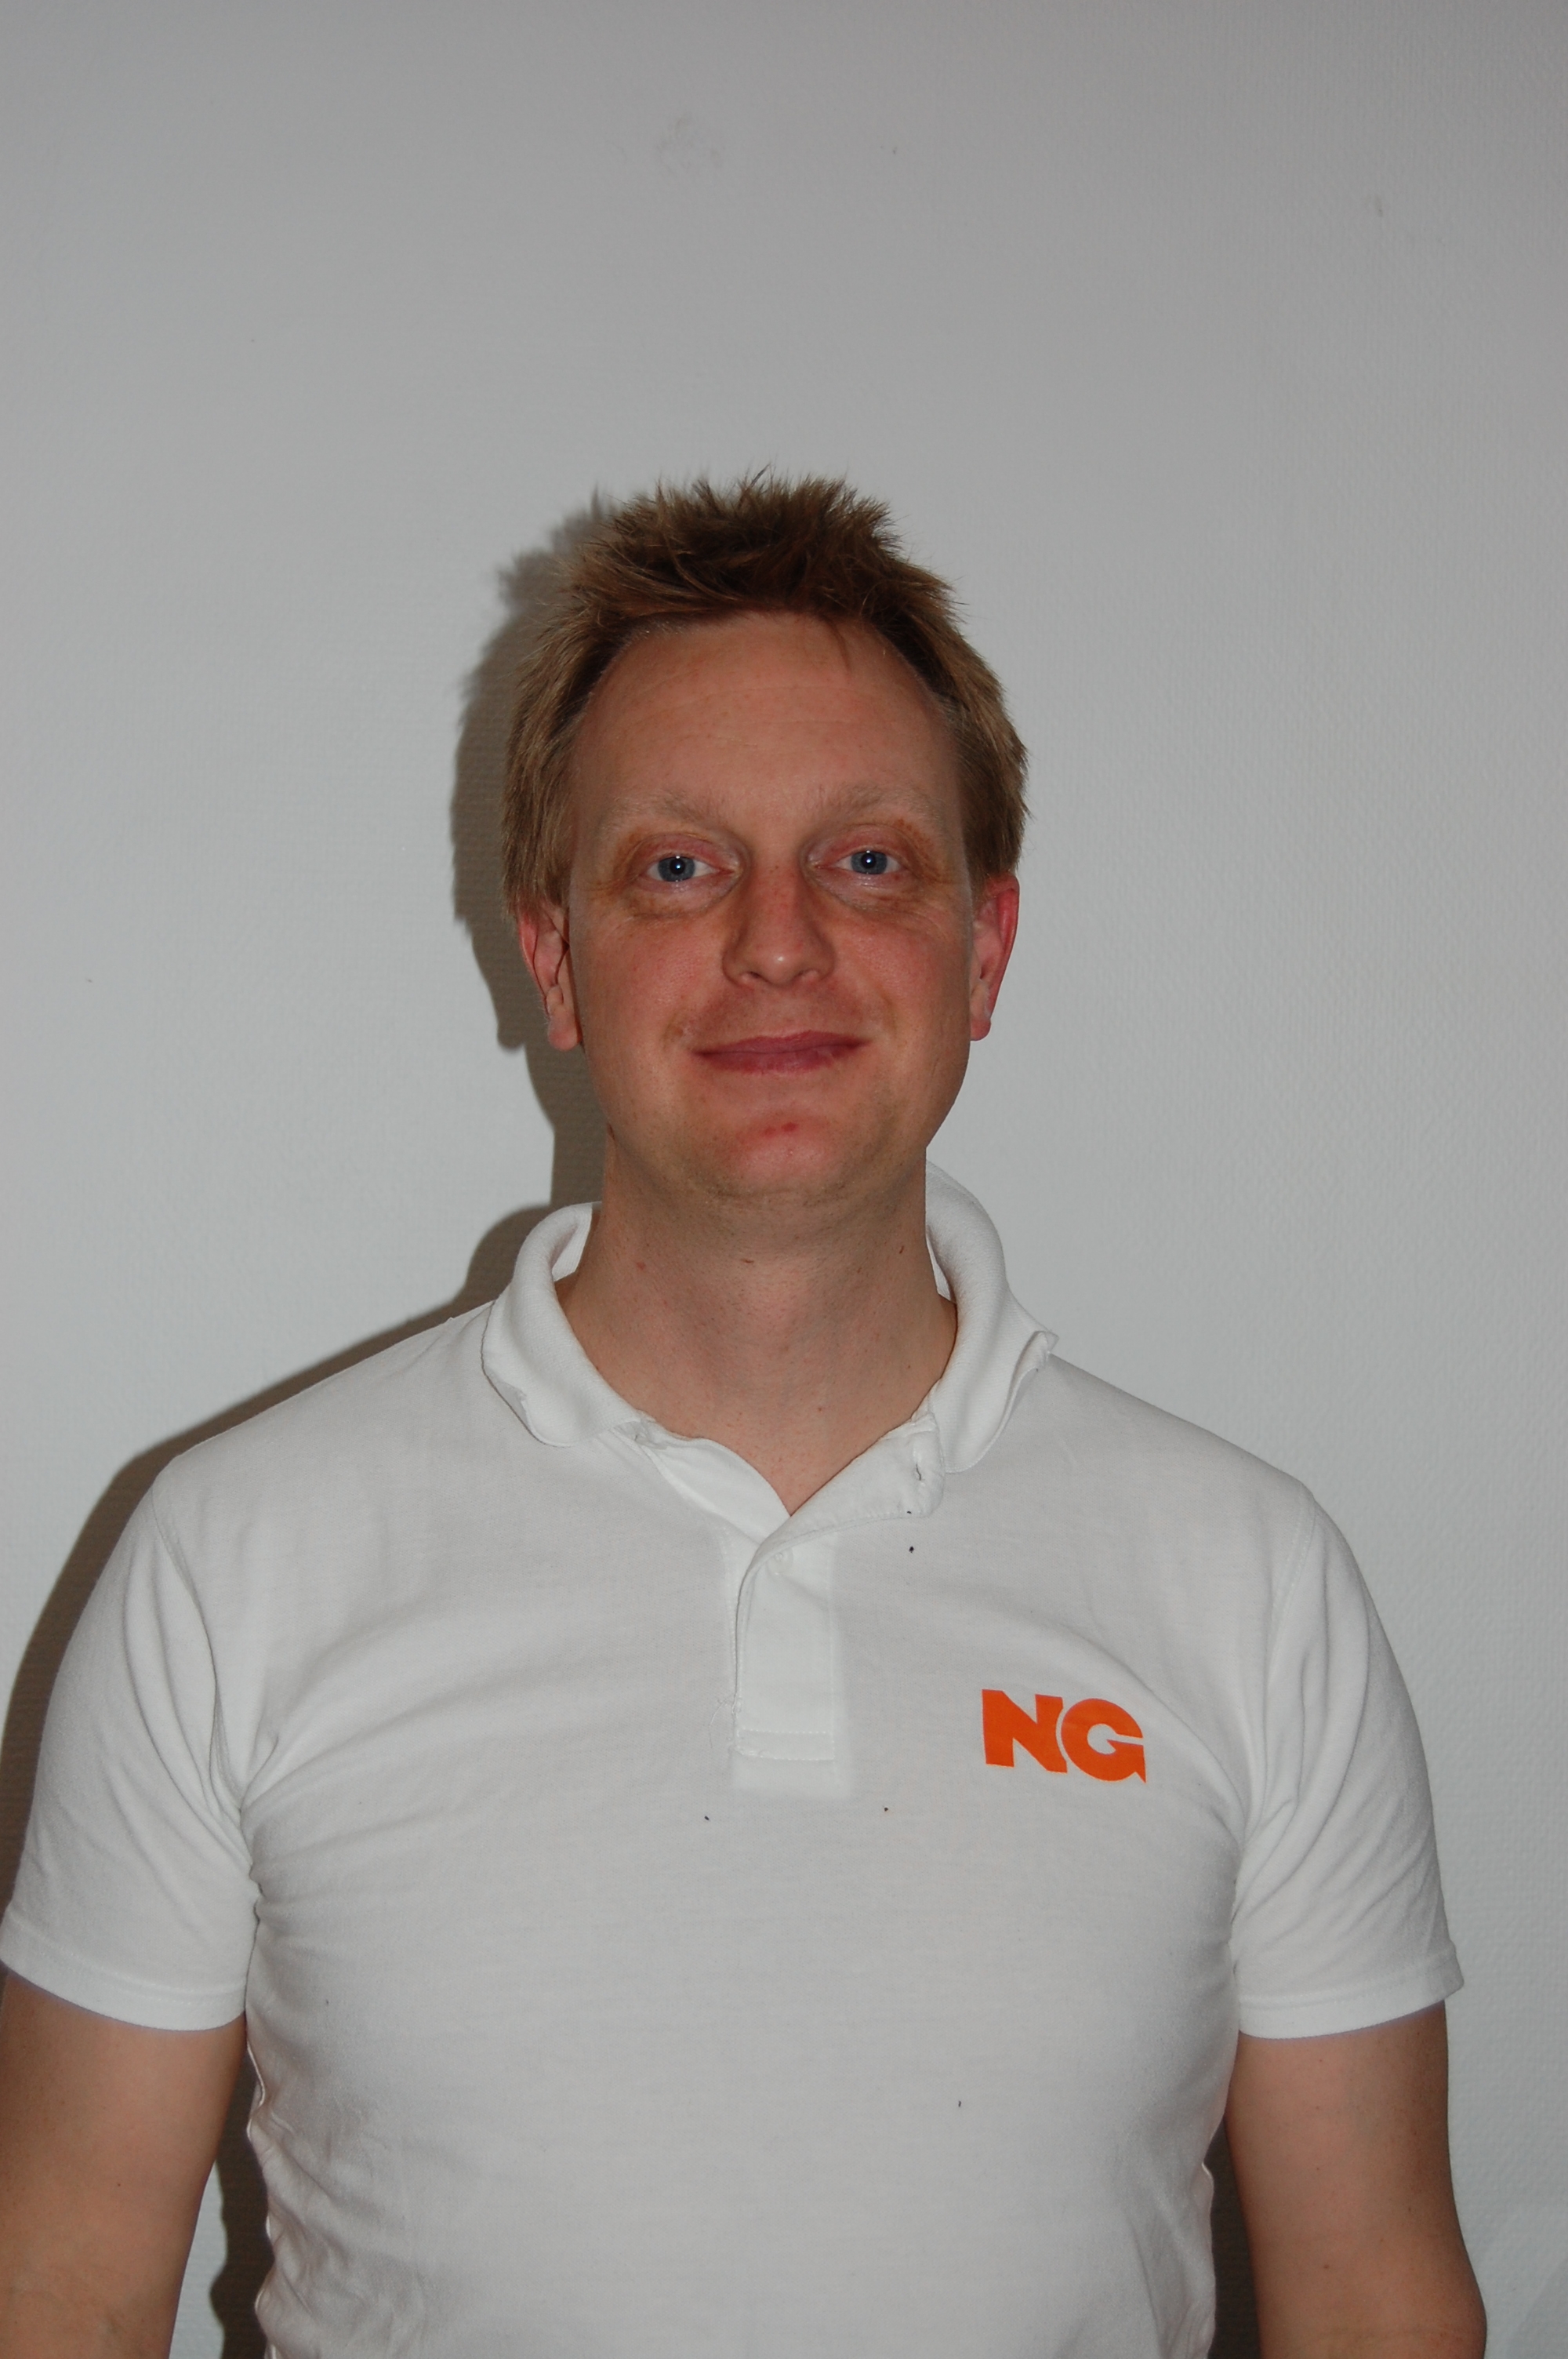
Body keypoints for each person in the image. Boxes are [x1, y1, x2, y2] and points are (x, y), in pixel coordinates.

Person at [0, 476, 1483, 2357]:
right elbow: (60, 2284)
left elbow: (1372, 2296)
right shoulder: (236, 1560)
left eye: (865, 860)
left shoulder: (1246, 1582)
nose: (780, 941)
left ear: (985, 950)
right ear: (554, 959)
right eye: (679, 869)